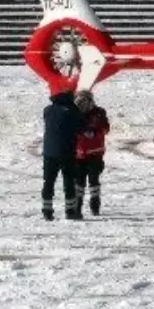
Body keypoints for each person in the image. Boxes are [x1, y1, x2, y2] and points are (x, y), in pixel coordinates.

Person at [42, 90, 83, 220]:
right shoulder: (73, 110)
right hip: (67, 152)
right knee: (69, 182)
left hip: (49, 152)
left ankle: (47, 211)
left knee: (48, 182)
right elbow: (80, 127)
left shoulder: (47, 110)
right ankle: (70, 211)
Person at [73, 89, 110, 215]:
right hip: (78, 154)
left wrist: (95, 131)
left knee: (94, 181)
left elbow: (105, 128)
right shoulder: (74, 113)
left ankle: (95, 205)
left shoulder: (99, 113)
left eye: (84, 101)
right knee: (79, 182)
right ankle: (77, 206)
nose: (81, 104)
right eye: (79, 101)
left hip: (95, 154)